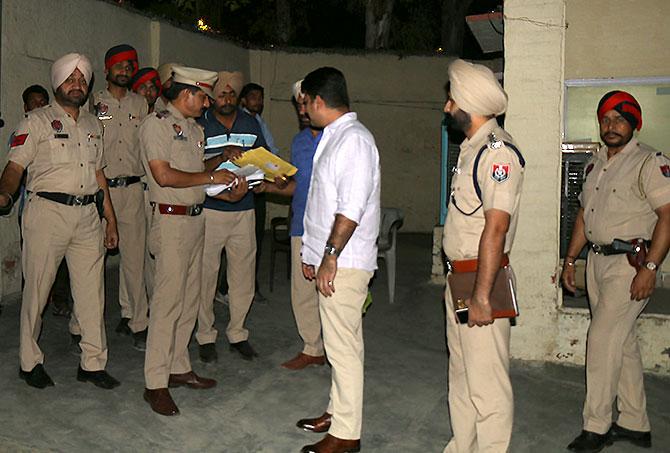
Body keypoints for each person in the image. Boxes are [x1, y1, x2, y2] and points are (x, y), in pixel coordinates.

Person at [0, 53, 120, 389]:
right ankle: (29, 362)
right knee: (37, 292)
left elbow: (99, 176)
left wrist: (110, 221)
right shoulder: (36, 122)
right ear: (58, 84)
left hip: (87, 217)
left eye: (82, 79)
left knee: (92, 294)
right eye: (71, 79)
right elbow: (14, 168)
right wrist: (5, 194)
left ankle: (93, 364)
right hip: (47, 214)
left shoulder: (94, 124)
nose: (77, 84)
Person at [563, 91, 670, 452]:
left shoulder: (648, 162)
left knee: (601, 339)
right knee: (621, 343)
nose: (610, 126)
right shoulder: (595, 163)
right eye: (605, 119)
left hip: (630, 266)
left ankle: (597, 426)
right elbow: (584, 215)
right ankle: (635, 423)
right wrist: (570, 260)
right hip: (595, 262)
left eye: (619, 119)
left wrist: (651, 268)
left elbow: (668, 216)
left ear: (634, 123)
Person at [140, 66, 237, 416]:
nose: (207, 102)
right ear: (186, 94)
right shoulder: (157, 124)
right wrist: (211, 173)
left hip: (196, 220)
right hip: (169, 222)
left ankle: (178, 367)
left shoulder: (194, 129)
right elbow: (164, 174)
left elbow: (193, 174)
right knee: (166, 303)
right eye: (203, 96)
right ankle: (155, 383)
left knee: (189, 299)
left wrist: (219, 161)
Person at [295, 67, 380, 453]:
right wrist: (312, 254)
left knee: (343, 348)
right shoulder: (334, 137)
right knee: (337, 344)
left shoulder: (355, 142)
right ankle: (336, 411)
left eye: (304, 102)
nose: (303, 110)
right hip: (330, 259)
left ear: (317, 100)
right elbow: (322, 203)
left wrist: (329, 256)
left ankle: (346, 434)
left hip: (345, 262)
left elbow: (350, 208)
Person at [441, 59, 525, 452]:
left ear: (468, 103)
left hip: (481, 281)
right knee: (461, 375)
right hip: (459, 277)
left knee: (487, 383)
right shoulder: (476, 146)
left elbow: (496, 228)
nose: (447, 108)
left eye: (451, 100)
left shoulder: (498, 153)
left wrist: (481, 295)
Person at [195, 71, 268, 363]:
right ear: (212, 97)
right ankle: (205, 334)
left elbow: (262, 157)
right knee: (205, 275)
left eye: (231, 95)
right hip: (211, 211)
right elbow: (193, 167)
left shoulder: (250, 123)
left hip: (243, 209)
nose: (226, 100)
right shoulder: (199, 123)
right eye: (221, 95)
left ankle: (238, 333)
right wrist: (221, 154)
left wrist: (263, 179)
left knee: (242, 275)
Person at [259, 79, 325, 370]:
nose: (302, 109)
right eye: (298, 103)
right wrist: (267, 187)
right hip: (301, 226)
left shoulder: (339, 139)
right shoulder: (299, 142)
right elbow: (298, 187)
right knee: (303, 293)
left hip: (332, 229)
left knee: (335, 294)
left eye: (306, 102)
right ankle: (312, 348)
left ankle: (337, 349)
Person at [90, 44, 149, 351]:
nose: (125, 70)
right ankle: (82, 325)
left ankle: (138, 321)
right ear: (107, 70)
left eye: (130, 65)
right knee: (91, 261)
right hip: (100, 192)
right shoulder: (93, 103)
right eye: (119, 65)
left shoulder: (142, 105)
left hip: (133, 190)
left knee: (135, 261)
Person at [240, 82, 278, 305]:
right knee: (245, 241)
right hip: (248, 185)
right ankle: (235, 287)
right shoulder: (244, 121)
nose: (258, 102)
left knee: (255, 239)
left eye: (260, 97)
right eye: (253, 97)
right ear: (243, 100)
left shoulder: (259, 122)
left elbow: (271, 151)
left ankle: (249, 285)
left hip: (260, 184)